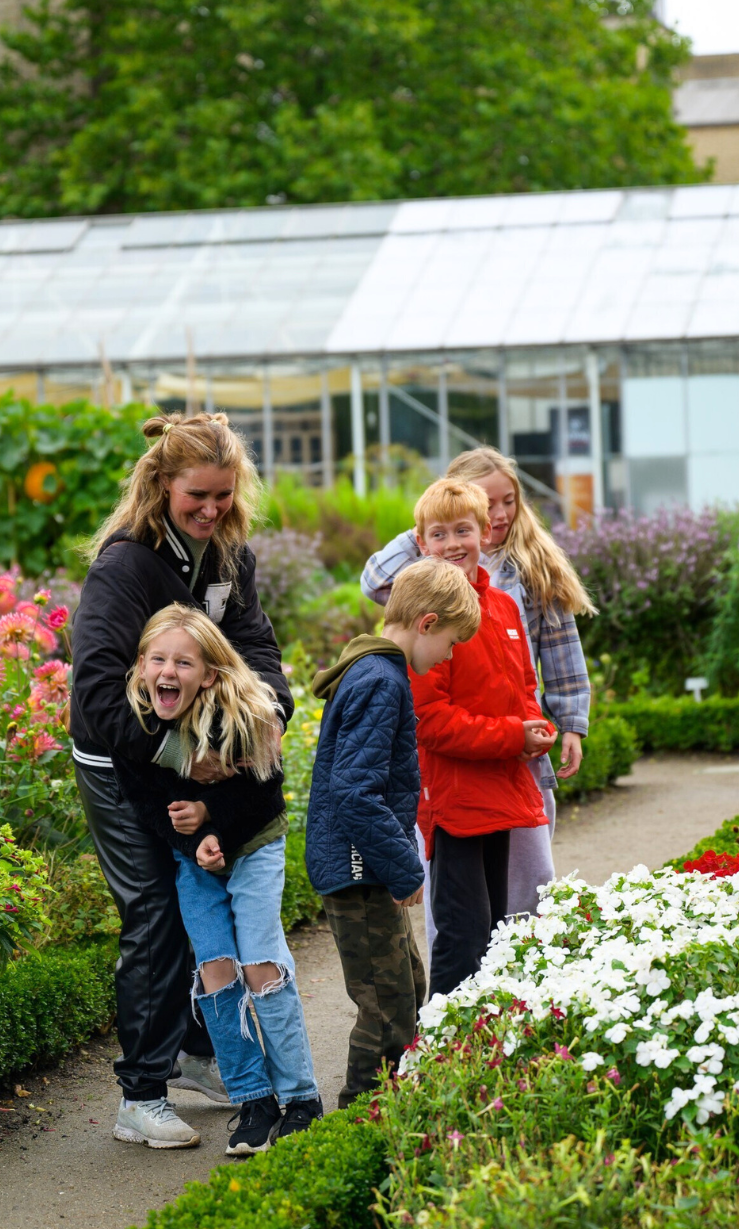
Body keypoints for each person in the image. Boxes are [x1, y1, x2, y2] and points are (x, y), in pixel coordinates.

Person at [70, 412, 294, 1151]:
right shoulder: (124, 566)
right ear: (163, 484)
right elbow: (98, 696)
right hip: (122, 761)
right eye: (197, 495)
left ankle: (197, 1054)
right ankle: (140, 1094)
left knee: (209, 898)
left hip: (198, 754)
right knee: (155, 914)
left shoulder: (229, 557)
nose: (211, 509)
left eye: (225, 495)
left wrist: (270, 715)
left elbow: (255, 646)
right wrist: (181, 759)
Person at [116, 603, 321, 1156]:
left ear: (209, 672)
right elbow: (149, 801)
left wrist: (212, 821)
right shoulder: (138, 726)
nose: (168, 672)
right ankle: (254, 1100)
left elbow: (264, 792)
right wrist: (193, 838)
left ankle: (301, 1098)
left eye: (184, 662)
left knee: (260, 966)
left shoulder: (242, 710)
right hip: (194, 860)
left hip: (252, 846)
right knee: (216, 973)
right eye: (157, 659)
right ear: (140, 666)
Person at [360, 447, 593, 927]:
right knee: (460, 896)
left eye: (509, 501)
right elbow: (376, 580)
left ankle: (521, 968)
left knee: (528, 870)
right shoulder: (436, 569)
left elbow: (560, 647)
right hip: (462, 749)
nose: (503, 513)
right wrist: (441, 523)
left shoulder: (532, 563)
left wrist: (568, 721)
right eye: (490, 503)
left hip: (517, 740)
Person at [306, 560, 481, 1107]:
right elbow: (355, 794)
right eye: (451, 644)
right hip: (361, 871)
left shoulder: (375, 670)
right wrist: (405, 868)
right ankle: (364, 1116)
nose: (449, 657)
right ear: (427, 624)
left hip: (365, 865)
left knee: (404, 987)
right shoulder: (381, 680)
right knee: (386, 1008)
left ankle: (387, 1105)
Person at [405, 478, 557, 998]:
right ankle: (435, 1054)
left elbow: (523, 687)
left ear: (486, 532)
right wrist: (513, 736)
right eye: (439, 533)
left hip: (503, 790)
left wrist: (535, 729)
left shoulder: (505, 609)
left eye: (462, 530)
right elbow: (431, 720)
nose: (452, 544)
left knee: (493, 931)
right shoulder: (426, 615)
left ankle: (476, 1050)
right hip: (455, 801)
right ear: (421, 542)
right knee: (461, 935)